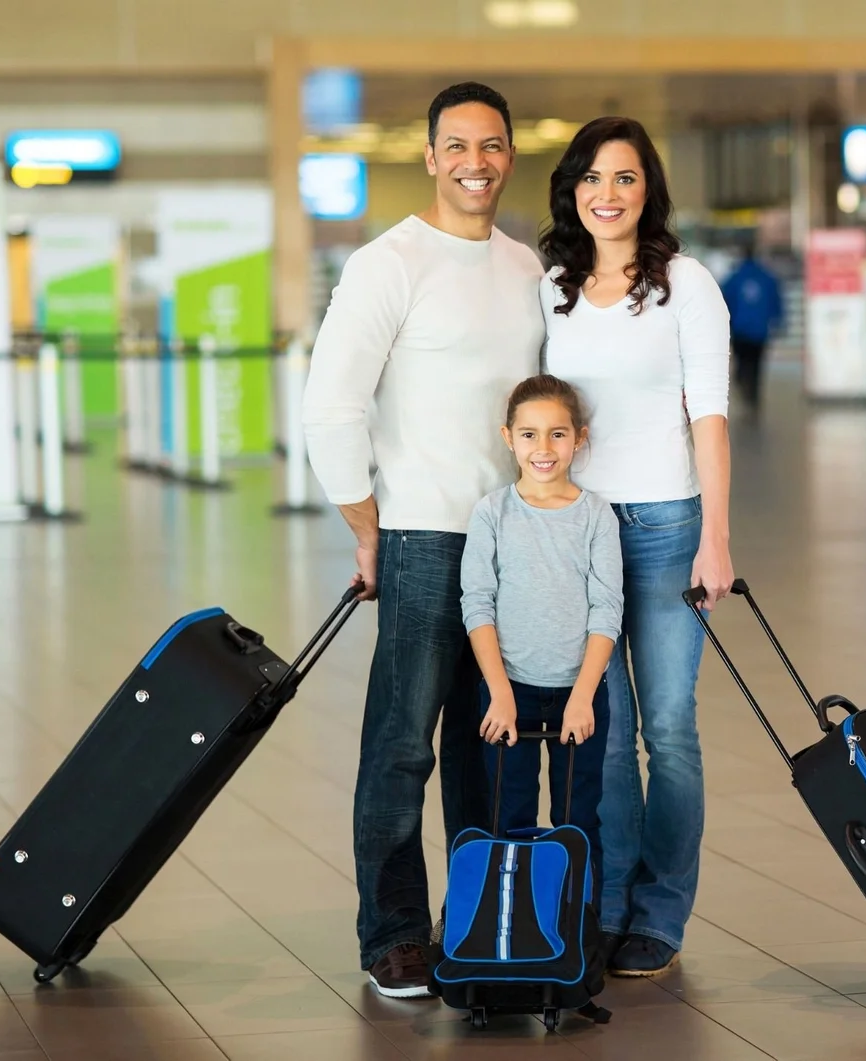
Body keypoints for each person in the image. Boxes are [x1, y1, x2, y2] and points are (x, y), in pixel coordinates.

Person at [301, 81, 545, 998]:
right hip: (421, 539)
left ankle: (478, 922)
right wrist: (368, 526)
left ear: (508, 155)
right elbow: (332, 406)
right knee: (402, 746)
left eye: (492, 145)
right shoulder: (388, 262)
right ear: (432, 155)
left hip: (514, 546)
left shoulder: (527, 270)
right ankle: (395, 933)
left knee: (493, 746)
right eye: (458, 146)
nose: (475, 162)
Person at [538, 116, 734, 977]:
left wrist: (717, 538)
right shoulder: (551, 287)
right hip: (578, 528)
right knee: (602, 733)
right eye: (590, 178)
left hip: (664, 527)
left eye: (622, 178)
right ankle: (607, 903)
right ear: (571, 191)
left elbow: (710, 415)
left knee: (669, 727)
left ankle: (660, 911)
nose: (605, 194)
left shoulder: (685, 284)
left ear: (647, 188)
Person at [464, 374, 623, 894]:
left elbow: (606, 609)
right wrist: (501, 694)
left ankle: (578, 935)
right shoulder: (492, 513)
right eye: (529, 434)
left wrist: (582, 698)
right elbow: (477, 605)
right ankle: (511, 933)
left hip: (579, 694)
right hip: (509, 692)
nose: (544, 448)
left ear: (580, 438)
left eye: (558, 434)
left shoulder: (596, 516)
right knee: (507, 818)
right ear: (508, 438)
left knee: (578, 821)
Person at [719, 241, 783, 414]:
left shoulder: (734, 277)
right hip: (760, 330)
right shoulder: (767, 277)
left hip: (740, 329)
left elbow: (724, 301)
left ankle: (742, 383)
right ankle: (753, 394)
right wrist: (777, 321)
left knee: (742, 361)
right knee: (756, 363)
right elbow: (776, 301)